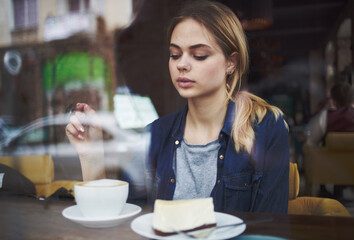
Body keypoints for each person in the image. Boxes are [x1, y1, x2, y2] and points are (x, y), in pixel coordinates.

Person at [66, 0, 289, 213]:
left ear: (231, 63)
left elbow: (268, 228)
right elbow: (118, 219)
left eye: (199, 55)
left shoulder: (266, 128)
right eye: (175, 54)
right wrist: (91, 155)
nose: (181, 64)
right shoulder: (155, 134)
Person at [306, 81, 354, 204]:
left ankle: (323, 190)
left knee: (316, 148)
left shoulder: (326, 116)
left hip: (329, 170)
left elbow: (312, 142)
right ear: (353, 98)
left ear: (334, 100)